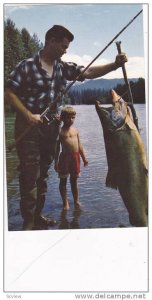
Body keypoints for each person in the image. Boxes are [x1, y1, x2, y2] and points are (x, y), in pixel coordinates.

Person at [5, 25, 127, 230]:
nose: (65, 50)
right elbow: (8, 92)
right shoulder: (26, 66)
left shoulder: (62, 67)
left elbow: (87, 71)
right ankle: (28, 223)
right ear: (51, 41)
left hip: (51, 129)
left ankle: (38, 216)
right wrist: (27, 115)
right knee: (29, 174)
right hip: (28, 129)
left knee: (43, 174)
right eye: (63, 46)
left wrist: (114, 65)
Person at [54, 106, 88, 210]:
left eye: (73, 117)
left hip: (75, 157)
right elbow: (56, 148)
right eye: (68, 117)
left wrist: (84, 158)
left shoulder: (76, 130)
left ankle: (76, 201)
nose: (71, 120)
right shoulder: (59, 131)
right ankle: (65, 203)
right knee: (63, 181)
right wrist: (55, 162)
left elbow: (80, 145)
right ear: (62, 118)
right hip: (64, 158)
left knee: (74, 181)